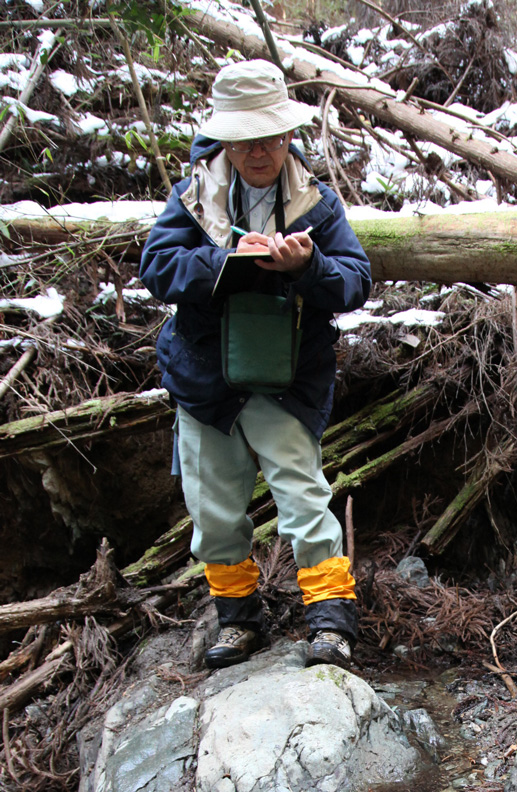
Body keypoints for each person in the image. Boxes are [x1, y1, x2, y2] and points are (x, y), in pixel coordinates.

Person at [140, 59, 371, 669]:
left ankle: (331, 622)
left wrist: (307, 267)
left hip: (286, 379)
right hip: (205, 380)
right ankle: (238, 621)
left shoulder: (317, 203)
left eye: (269, 138)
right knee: (213, 510)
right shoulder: (193, 197)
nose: (259, 152)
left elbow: (356, 281)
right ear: (225, 140)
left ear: (288, 135)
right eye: (245, 141)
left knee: (303, 500)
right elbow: (156, 267)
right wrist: (221, 263)